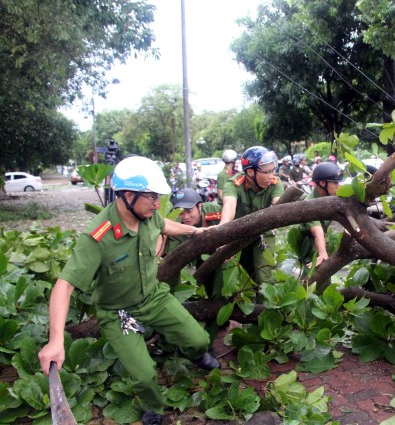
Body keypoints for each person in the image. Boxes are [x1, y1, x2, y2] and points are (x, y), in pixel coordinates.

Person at [37, 156, 219, 425]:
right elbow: (64, 285)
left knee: (199, 340)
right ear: (128, 195)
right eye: (151, 197)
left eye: (157, 197)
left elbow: (165, 224)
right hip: (117, 311)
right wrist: (56, 340)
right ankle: (152, 404)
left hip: (153, 297)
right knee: (144, 374)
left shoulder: (147, 214)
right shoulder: (97, 236)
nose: (158, 204)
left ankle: (194, 355)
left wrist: (194, 231)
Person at [220, 146, 283, 284]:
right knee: (238, 277)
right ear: (250, 172)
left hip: (263, 235)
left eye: (272, 171)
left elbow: (279, 204)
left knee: (264, 277)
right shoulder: (233, 184)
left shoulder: (275, 184)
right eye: (266, 172)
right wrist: (222, 234)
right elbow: (229, 207)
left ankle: (265, 305)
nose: (271, 176)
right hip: (237, 235)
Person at [160, 188, 222, 294]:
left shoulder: (214, 210)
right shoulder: (175, 223)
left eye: (189, 211)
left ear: (199, 206)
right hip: (190, 252)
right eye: (181, 213)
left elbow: (233, 221)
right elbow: (171, 256)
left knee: (218, 280)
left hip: (215, 251)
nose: (186, 217)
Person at [297, 162, 343, 268]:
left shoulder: (330, 196)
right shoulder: (309, 203)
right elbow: (317, 231)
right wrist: (322, 253)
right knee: (315, 272)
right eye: (335, 183)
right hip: (309, 242)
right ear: (322, 183)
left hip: (323, 237)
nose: (338, 186)